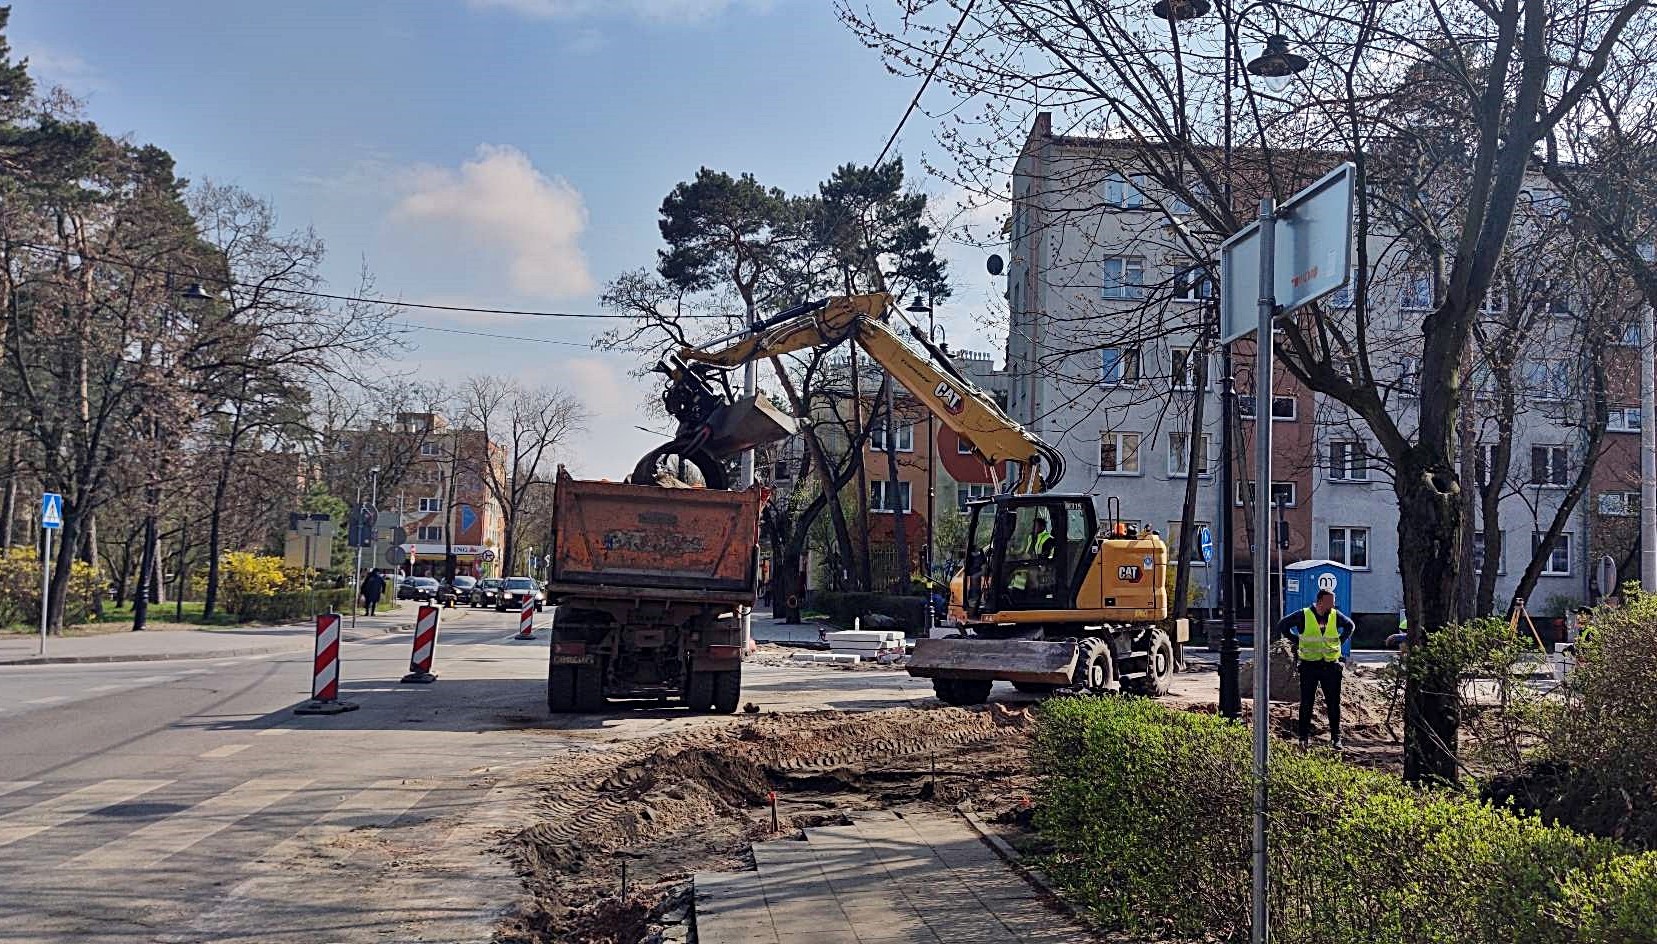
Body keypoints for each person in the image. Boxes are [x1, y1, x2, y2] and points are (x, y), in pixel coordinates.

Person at [1276, 588, 1355, 750]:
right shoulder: (1303, 615)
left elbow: (1350, 626)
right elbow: (1282, 625)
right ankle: (1303, 738)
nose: (1333, 605)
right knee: (1307, 703)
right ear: (1320, 601)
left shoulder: (1334, 615)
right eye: (1330, 602)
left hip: (1331, 666)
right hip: (1309, 666)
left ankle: (1335, 738)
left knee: (1334, 703)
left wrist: (1340, 641)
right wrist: (1296, 640)